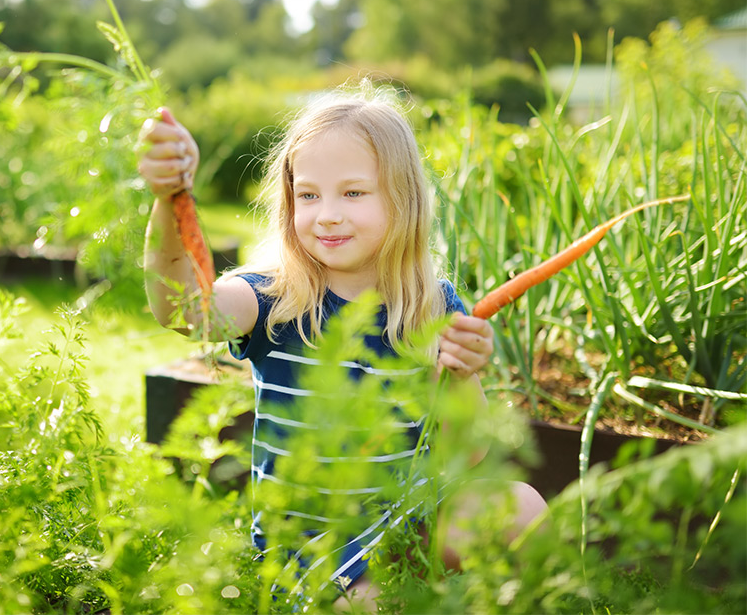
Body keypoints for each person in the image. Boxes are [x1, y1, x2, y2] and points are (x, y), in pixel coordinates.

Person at [136, 84, 547, 610]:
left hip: (405, 531)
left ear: (403, 199)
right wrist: (170, 201)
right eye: (308, 195)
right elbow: (184, 311)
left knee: (522, 508)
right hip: (312, 549)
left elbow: (468, 450)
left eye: (353, 193)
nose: (326, 214)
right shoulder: (272, 297)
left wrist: (462, 376)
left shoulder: (432, 306)